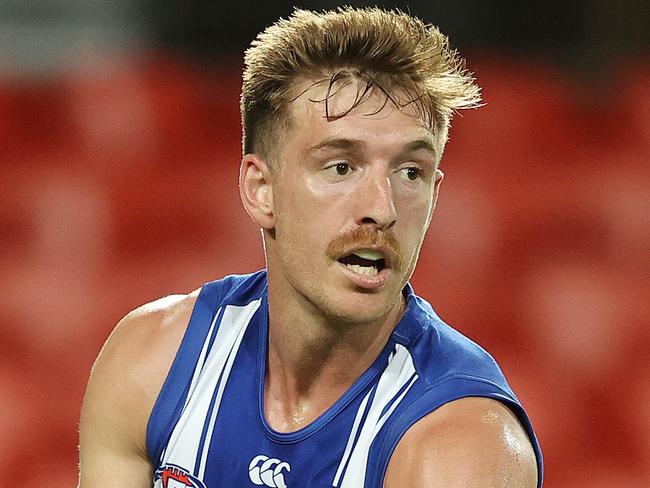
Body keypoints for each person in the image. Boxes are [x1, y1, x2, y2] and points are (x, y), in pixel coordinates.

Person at [78, 7, 542, 488]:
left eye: (410, 173)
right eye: (341, 167)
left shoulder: (459, 449)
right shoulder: (153, 361)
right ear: (262, 190)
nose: (383, 209)